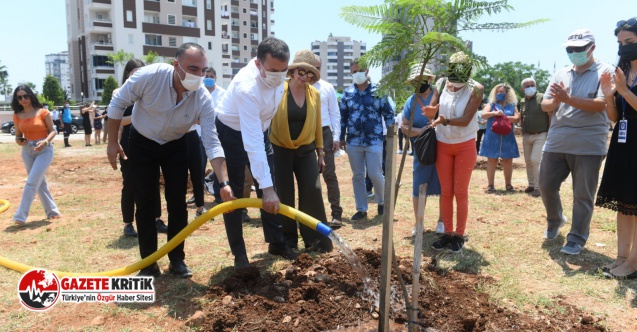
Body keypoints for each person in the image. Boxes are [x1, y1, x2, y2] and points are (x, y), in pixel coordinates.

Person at [106, 43, 234, 278]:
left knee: (177, 204)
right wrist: (113, 142)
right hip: (142, 142)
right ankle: (148, 263)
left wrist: (224, 182)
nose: (199, 75)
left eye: (203, 70)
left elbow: (212, 141)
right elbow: (117, 103)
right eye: (192, 68)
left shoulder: (203, 99)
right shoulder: (150, 76)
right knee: (145, 202)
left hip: (176, 145)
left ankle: (177, 259)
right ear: (176, 65)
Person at [215, 37, 299, 269]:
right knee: (232, 194)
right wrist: (267, 189)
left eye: (283, 71)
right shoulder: (247, 87)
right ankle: (239, 255)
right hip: (230, 132)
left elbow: (261, 130)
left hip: (260, 130)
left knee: (270, 186)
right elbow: (251, 143)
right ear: (258, 63)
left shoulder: (278, 77)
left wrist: (268, 188)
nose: (278, 76)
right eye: (273, 70)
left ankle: (277, 243)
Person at [539, 28, 612, 255]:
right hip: (557, 140)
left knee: (583, 194)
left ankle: (577, 238)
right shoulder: (561, 73)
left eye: (579, 49)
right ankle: (555, 220)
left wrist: (568, 98)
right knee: (545, 185)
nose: (574, 52)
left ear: (592, 48)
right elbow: (545, 104)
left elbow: (601, 104)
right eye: (570, 49)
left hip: (589, 143)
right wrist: (556, 102)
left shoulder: (605, 71)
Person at [270, 49, 333, 253]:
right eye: (302, 72)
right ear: (293, 71)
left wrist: (321, 152)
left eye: (310, 74)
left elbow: (317, 125)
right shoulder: (279, 89)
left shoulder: (314, 94)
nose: (306, 77)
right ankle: (287, 241)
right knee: (285, 195)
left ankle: (316, 241)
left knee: (312, 191)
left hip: (306, 149)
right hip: (280, 148)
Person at [423, 51, 483, 253]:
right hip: (443, 144)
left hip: (465, 144)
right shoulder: (441, 83)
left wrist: (444, 120)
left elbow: (466, 119)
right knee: (446, 191)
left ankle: (459, 235)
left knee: (460, 191)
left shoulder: (476, 89)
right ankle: (447, 233)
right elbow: (433, 106)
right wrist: (432, 112)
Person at [596, 18, 637, 278]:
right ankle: (621, 258)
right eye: (620, 43)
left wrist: (623, 89)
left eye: (629, 42)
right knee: (624, 203)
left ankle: (634, 264)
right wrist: (610, 95)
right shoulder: (622, 72)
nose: (623, 47)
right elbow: (614, 117)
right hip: (623, 143)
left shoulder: (624, 80)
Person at [115, 58, 166, 238]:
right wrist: (138, 115)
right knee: (129, 183)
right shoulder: (120, 92)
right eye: (134, 71)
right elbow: (118, 120)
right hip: (129, 141)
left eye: (141, 71)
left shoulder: (150, 91)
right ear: (127, 74)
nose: (137, 75)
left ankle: (157, 218)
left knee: (153, 182)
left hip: (149, 140)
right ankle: (128, 223)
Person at [340, 58, 395, 220]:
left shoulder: (379, 91)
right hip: (353, 141)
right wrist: (342, 137)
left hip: (374, 140)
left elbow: (388, 114)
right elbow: (343, 117)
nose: (357, 74)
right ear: (351, 73)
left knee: (375, 173)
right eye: (354, 71)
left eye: (360, 70)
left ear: (367, 71)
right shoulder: (347, 93)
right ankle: (361, 209)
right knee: (357, 175)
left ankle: (382, 201)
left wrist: (391, 135)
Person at [400, 64, 443, 236]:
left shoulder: (440, 96)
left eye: (423, 79)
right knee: (419, 185)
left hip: (441, 145)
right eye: (416, 80)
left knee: (443, 184)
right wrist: (421, 132)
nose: (420, 83)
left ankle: (442, 221)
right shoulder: (410, 101)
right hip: (422, 149)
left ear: (430, 79)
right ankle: (419, 223)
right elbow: (403, 126)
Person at [11, 85, 61, 225]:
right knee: (39, 182)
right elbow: (17, 136)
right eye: (19, 97)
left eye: (25, 96)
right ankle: (52, 211)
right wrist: (19, 142)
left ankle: (20, 216)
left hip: (44, 149)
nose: (23, 99)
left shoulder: (43, 112)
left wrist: (45, 142)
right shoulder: (17, 115)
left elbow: (53, 131)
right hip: (27, 151)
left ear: (31, 95)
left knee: (32, 182)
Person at [312, 54, 343, 228]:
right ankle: (312, 215)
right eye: (312, 67)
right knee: (309, 177)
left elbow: (334, 113)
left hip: (325, 133)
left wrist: (336, 136)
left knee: (329, 173)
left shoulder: (327, 87)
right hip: (306, 134)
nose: (315, 71)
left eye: (318, 67)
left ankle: (336, 213)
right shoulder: (299, 87)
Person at [479, 83, 520, 193]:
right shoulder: (491, 104)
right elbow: (483, 115)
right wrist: (494, 113)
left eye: (501, 92)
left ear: (507, 93)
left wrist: (505, 117)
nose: (499, 94)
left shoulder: (512, 105)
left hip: (507, 137)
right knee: (492, 160)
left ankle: (508, 185)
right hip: (492, 137)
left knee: (508, 160)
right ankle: (490, 185)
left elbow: (517, 118)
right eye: (497, 92)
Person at [519, 78, 549, 198]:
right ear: (522, 89)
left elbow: (549, 114)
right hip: (527, 135)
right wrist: (522, 128)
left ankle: (538, 187)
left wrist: (551, 130)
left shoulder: (543, 98)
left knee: (535, 160)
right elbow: (522, 116)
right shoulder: (522, 101)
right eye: (527, 86)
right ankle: (531, 184)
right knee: (528, 161)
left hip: (541, 134)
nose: (530, 87)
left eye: (532, 85)